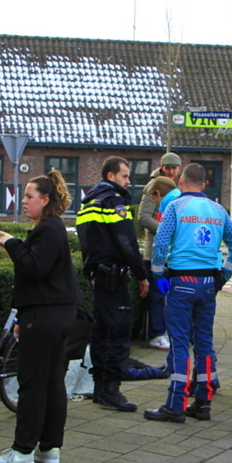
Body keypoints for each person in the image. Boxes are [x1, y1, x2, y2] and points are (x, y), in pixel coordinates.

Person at [0, 171, 79, 463]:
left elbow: (34, 268)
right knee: (52, 382)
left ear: (45, 199)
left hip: (46, 317)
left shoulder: (48, 230)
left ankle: (22, 451)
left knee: (32, 383)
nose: (23, 201)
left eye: (29, 196)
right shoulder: (52, 229)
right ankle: (50, 449)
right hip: (53, 314)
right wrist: (23, 316)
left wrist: (12, 244)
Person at [144, 163, 232, 423]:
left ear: (181, 182)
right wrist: (225, 274)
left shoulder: (175, 207)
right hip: (208, 283)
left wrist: (158, 274)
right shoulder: (218, 210)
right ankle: (203, 402)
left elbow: (161, 242)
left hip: (180, 281)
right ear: (204, 185)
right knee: (204, 343)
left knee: (179, 344)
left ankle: (175, 404)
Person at [76, 156, 150, 412]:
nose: (128, 181)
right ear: (111, 176)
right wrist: (141, 274)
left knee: (100, 333)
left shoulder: (88, 202)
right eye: (125, 176)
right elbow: (127, 242)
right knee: (118, 333)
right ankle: (112, 389)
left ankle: (99, 387)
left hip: (98, 275)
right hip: (114, 277)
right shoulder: (113, 202)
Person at [138, 161, 181, 350]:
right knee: (157, 293)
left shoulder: (174, 192)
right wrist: (167, 231)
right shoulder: (153, 189)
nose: (172, 171)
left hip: (168, 253)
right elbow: (143, 217)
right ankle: (157, 333)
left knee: (166, 293)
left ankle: (166, 332)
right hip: (156, 252)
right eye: (169, 167)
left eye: (175, 167)